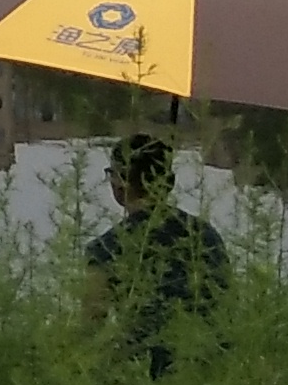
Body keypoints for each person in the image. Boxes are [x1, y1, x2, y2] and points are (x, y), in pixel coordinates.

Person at [84, 132, 230, 368]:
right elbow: (225, 307)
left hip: (145, 373)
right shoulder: (206, 235)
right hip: (210, 368)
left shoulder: (106, 248)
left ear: (120, 181)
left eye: (111, 173)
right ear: (169, 182)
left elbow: (90, 326)